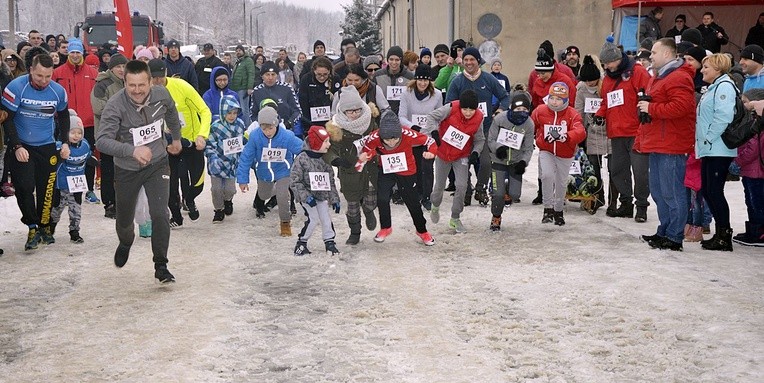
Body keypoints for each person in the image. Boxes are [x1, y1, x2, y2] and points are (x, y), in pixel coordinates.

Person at [96, 59, 182, 283]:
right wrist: (131, 150)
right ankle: (125, 241)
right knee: (124, 219)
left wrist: (177, 137)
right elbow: (102, 141)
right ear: (124, 82)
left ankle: (161, 265)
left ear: (150, 82)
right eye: (131, 85)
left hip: (157, 163)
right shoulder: (115, 105)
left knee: (160, 213)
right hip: (127, 169)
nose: (136, 91)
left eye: (141, 85)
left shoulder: (161, 94)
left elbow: (172, 112)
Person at [2, 53, 70, 250]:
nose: (43, 81)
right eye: (39, 76)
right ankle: (32, 225)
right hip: (22, 145)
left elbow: (64, 117)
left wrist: (64, 142)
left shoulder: (57, 91)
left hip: (46, 146)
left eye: (48, 76)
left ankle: (44, 225)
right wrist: (17, 146)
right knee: (24, 187)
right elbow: (7, 119)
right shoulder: (16, 87)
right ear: (31, 70)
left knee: (47, 189)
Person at [637, 38, 696, 252]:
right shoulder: (660, 77)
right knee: (659, 192)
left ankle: (674, 235)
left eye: (653, 52)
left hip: (672, 145)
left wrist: (651, 109)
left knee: (673, 192)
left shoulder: (679, 77)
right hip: (658, 142)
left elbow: (682, 107)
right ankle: (665, 229)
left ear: (667, 54)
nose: (650, 56)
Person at [358, 110, 437, 245]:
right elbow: (366, 149)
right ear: (381, 136)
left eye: (395, 138)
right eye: (387, 139)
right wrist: (367, 156)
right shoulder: (375, 136)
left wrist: (432, 152)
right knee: (382, 198)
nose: (392, 142)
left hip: (407, 170)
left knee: (412, 202)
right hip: (386, 169)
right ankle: (386, 228)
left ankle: (422, 231)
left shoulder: (407, 133)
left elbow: (430, 141)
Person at [148, 59, 211, 226]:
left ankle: (189, 200)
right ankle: (176, 216)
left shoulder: (181, 86)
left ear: (166, 74)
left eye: (160, 77)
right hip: (167, 145)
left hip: (191, 142)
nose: (157, 81)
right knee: (168, 184)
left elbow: (204, 111)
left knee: (197, 182)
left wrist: (201, 135)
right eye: (153, 78)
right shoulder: (145, 93)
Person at [444, 47, 510, 206]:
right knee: (463, 162)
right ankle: (466, 190)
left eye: (472, 59)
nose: (468, 63)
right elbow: (449, 104)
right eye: (466, 60)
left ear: (478, 61)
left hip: (485, 128)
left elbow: (505, 96)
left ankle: (480, 189)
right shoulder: (457, 81)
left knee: (486, 162)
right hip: (463, 129)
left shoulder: (488, 79)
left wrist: (500, 110)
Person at [596, 36, 652, 222]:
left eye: (608, 63)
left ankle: (641, 206)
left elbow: (649, 94)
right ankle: (626, 203)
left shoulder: (638, 72)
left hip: (636, 131)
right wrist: (600, 114)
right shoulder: (608, 79)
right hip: (616, 131)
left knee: (640, 171)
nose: (606, 68)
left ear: (617, 59)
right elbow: (607, 101)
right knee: (618, 169)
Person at [324, 86, 379, 245]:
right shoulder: (336, 128)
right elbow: (328, 149)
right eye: (350, 111)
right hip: (350, 171)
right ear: (343, 111)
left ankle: (369, 211)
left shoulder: (370, 121)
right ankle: (355, 232)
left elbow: (378, 139)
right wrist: (336, 160)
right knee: (353, 205)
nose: (355, 114)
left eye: (357, 110)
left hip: (370, 168)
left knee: (371, 198)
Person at [237, 106, 303, 235]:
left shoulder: (286, 136)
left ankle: (285, 223)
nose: (267, 132)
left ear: (276, 124)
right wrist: (243, 179)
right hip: (264, 173)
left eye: (270, 128)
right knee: (264, 195)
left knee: (282, 196)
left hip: (283, 171)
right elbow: (246, 157)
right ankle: (276, 191)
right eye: (264, 128)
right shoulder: (255, 137)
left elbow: (301, 148)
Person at [426, 89, 485, 233]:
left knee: (461, 186)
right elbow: (431, 117)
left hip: (461, 155)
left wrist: (475, 153)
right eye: (465, 109)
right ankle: (435, 205)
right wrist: (434, 132)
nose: (468, 112)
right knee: (439, 186)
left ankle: (455, 218)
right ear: (461, 106)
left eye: (472, 109)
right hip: (443, 152)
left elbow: (479, 139)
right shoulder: (451, 108)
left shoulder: (479, 117)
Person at [695, 53, 738, 251]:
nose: (702, 70)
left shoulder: (724, 87)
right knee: (708, 190)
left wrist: (709, 137)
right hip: (710, 148)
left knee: (714, 191)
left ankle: (724, 235)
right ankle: (720, 233)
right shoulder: (715, 87)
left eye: (706, 67)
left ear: (718, 69)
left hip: (718, 148)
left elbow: (724, 116)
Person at [52, 38, 100, 204]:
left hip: (87, 122)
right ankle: (60, 188)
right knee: (64, 155)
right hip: (65, 122)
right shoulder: (58, 73)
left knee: (87, 156)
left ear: (82, 53)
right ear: (68, 53)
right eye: (72, 52)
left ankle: (89, 190)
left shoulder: (93, 74)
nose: (74, 55)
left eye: (78, 52)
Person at [532, 82, 586, 226]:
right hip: (546, 150)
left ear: (566, 100)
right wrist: (535, 137)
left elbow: (580, 131)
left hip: (565, 153)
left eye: (558, 99)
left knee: (561, 182)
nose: (554, 102)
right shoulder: (540, 110)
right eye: (552, 98)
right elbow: (532, 124)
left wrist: (566, 136)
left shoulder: (572, 114)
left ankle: (558, 210)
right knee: (546, 175)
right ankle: (547, 209)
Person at [486, 88, 534, 230]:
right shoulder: (500, 119)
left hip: (515, 161)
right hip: (498, 160)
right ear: (512, 108)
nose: (521, 111)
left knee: (515, 194)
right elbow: (491, 139)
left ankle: (508, 189)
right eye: (518, 108)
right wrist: (498, 148)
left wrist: (523, 162)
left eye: (524, 109)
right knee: (498, 194)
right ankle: (496, 216)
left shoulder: (529, 124)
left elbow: (529, 147)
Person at [291, 125, 342, 255]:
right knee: (313, 218)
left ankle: (329, 242)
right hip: (307, 197)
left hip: (321, 196)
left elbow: (330, 181)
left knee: (325, 218)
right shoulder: (301, 159)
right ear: (316, 143)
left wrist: (334, 199)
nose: (329, 145)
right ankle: (301, 243)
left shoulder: (324, 159)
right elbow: (295, 181)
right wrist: (306, 197)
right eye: (325, 142)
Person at [398, 64, 443, 210]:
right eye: (420, 80)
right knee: (415, 165)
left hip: (428, 135)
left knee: (427, 167)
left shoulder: (437, 95)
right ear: (415, 79)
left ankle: (426, 196)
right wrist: (413, 127)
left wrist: (435, 132)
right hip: (412, 135)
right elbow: (402, 117)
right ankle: (416, 193)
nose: (423, 83)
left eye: (426, 80)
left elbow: (438, 116)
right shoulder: (406, 93)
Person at [91, 53, 128, 219]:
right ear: (111, 68)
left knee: (124, 169)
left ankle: (123, 201)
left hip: (125, 135)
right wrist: (122, 111)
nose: (121, 70)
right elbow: (98, 107)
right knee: (107, 171)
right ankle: (109, 203)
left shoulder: (128, 83)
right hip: (107, 134)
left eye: (123, 66)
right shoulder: (102, 83)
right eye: (118, 67)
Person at [50, 111, 93, 243]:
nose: (76, 136)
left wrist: (93, 160)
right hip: (61, 184)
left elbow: (88, 156)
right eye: (72, 132)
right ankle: (50, 229)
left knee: (76, 210)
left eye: (79, 133)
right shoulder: (60, 146)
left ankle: (74, 231)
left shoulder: (85, 145)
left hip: (77, 185)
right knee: (56, 209)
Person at [574, 54, 609, 213]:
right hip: (592, 132)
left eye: (592, 81)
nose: (590, 84)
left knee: (614, 169)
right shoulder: (581, 88)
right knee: (593, 167)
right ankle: (596, 196)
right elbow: (578, 112)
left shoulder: (606, 85)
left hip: (608, 131)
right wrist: (579, 133)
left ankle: (615, 199)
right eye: (586, 81)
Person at [205, 95, 246, 223]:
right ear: (223, 111)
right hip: (216, 162)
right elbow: (210, 144)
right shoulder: (215, 126)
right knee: (216, 189)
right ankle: (218, 210)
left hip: (232, 163)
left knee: (230, 189)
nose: (232, 116)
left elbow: (242, 140)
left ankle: (228, 200)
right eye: (229, 113)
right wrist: (212, 157)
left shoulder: (240, 124)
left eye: (235, 113)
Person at [733, 89, 764, 246]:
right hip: (750, 170)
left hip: (755, 170)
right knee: (751, 201)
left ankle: (758, 233)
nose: (743, 105)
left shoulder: (758, 123)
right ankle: (753, 230)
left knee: (756, 202)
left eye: (745, 101)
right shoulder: (753, 120)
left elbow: (753, 148)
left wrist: (738, 161)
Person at [251, 61, 303, 137]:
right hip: (264, 132)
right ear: (262, 76)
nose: (270, 78)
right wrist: (261, 125)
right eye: (267, 75)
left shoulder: (287, 88)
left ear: (277, 75)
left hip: (285, 131)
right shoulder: (257, 91)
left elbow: (297, 111)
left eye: (273, 74)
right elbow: (253, 114)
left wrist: (289, 123)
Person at [299, 57, 339, 128]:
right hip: (310, 120)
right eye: (319, 74)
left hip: (331, 121)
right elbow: (303, 101)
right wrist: (308, 122)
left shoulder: (335, 78)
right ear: (314, 71)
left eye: (325, 74)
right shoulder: (306, 79)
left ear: (329, 71)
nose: (322, 77)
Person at [374, 46, 414, 115]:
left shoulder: (409, 77)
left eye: (397, 60)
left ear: (401, 60)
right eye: (391, 59)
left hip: (402, 115)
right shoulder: (378, 75)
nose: (394, 62)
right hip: (382, 116)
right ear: (387, 60)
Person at [230, 45, 256, 127]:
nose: (238, 52)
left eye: (239, 50)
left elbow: (251, 74)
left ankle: (247, 126)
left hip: (243, 88)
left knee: (244, 109)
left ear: (243, 51)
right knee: (237, 109)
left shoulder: (248, 60)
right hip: (235, 88)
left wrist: (249, 87)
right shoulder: (238, 61)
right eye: (236, 51)